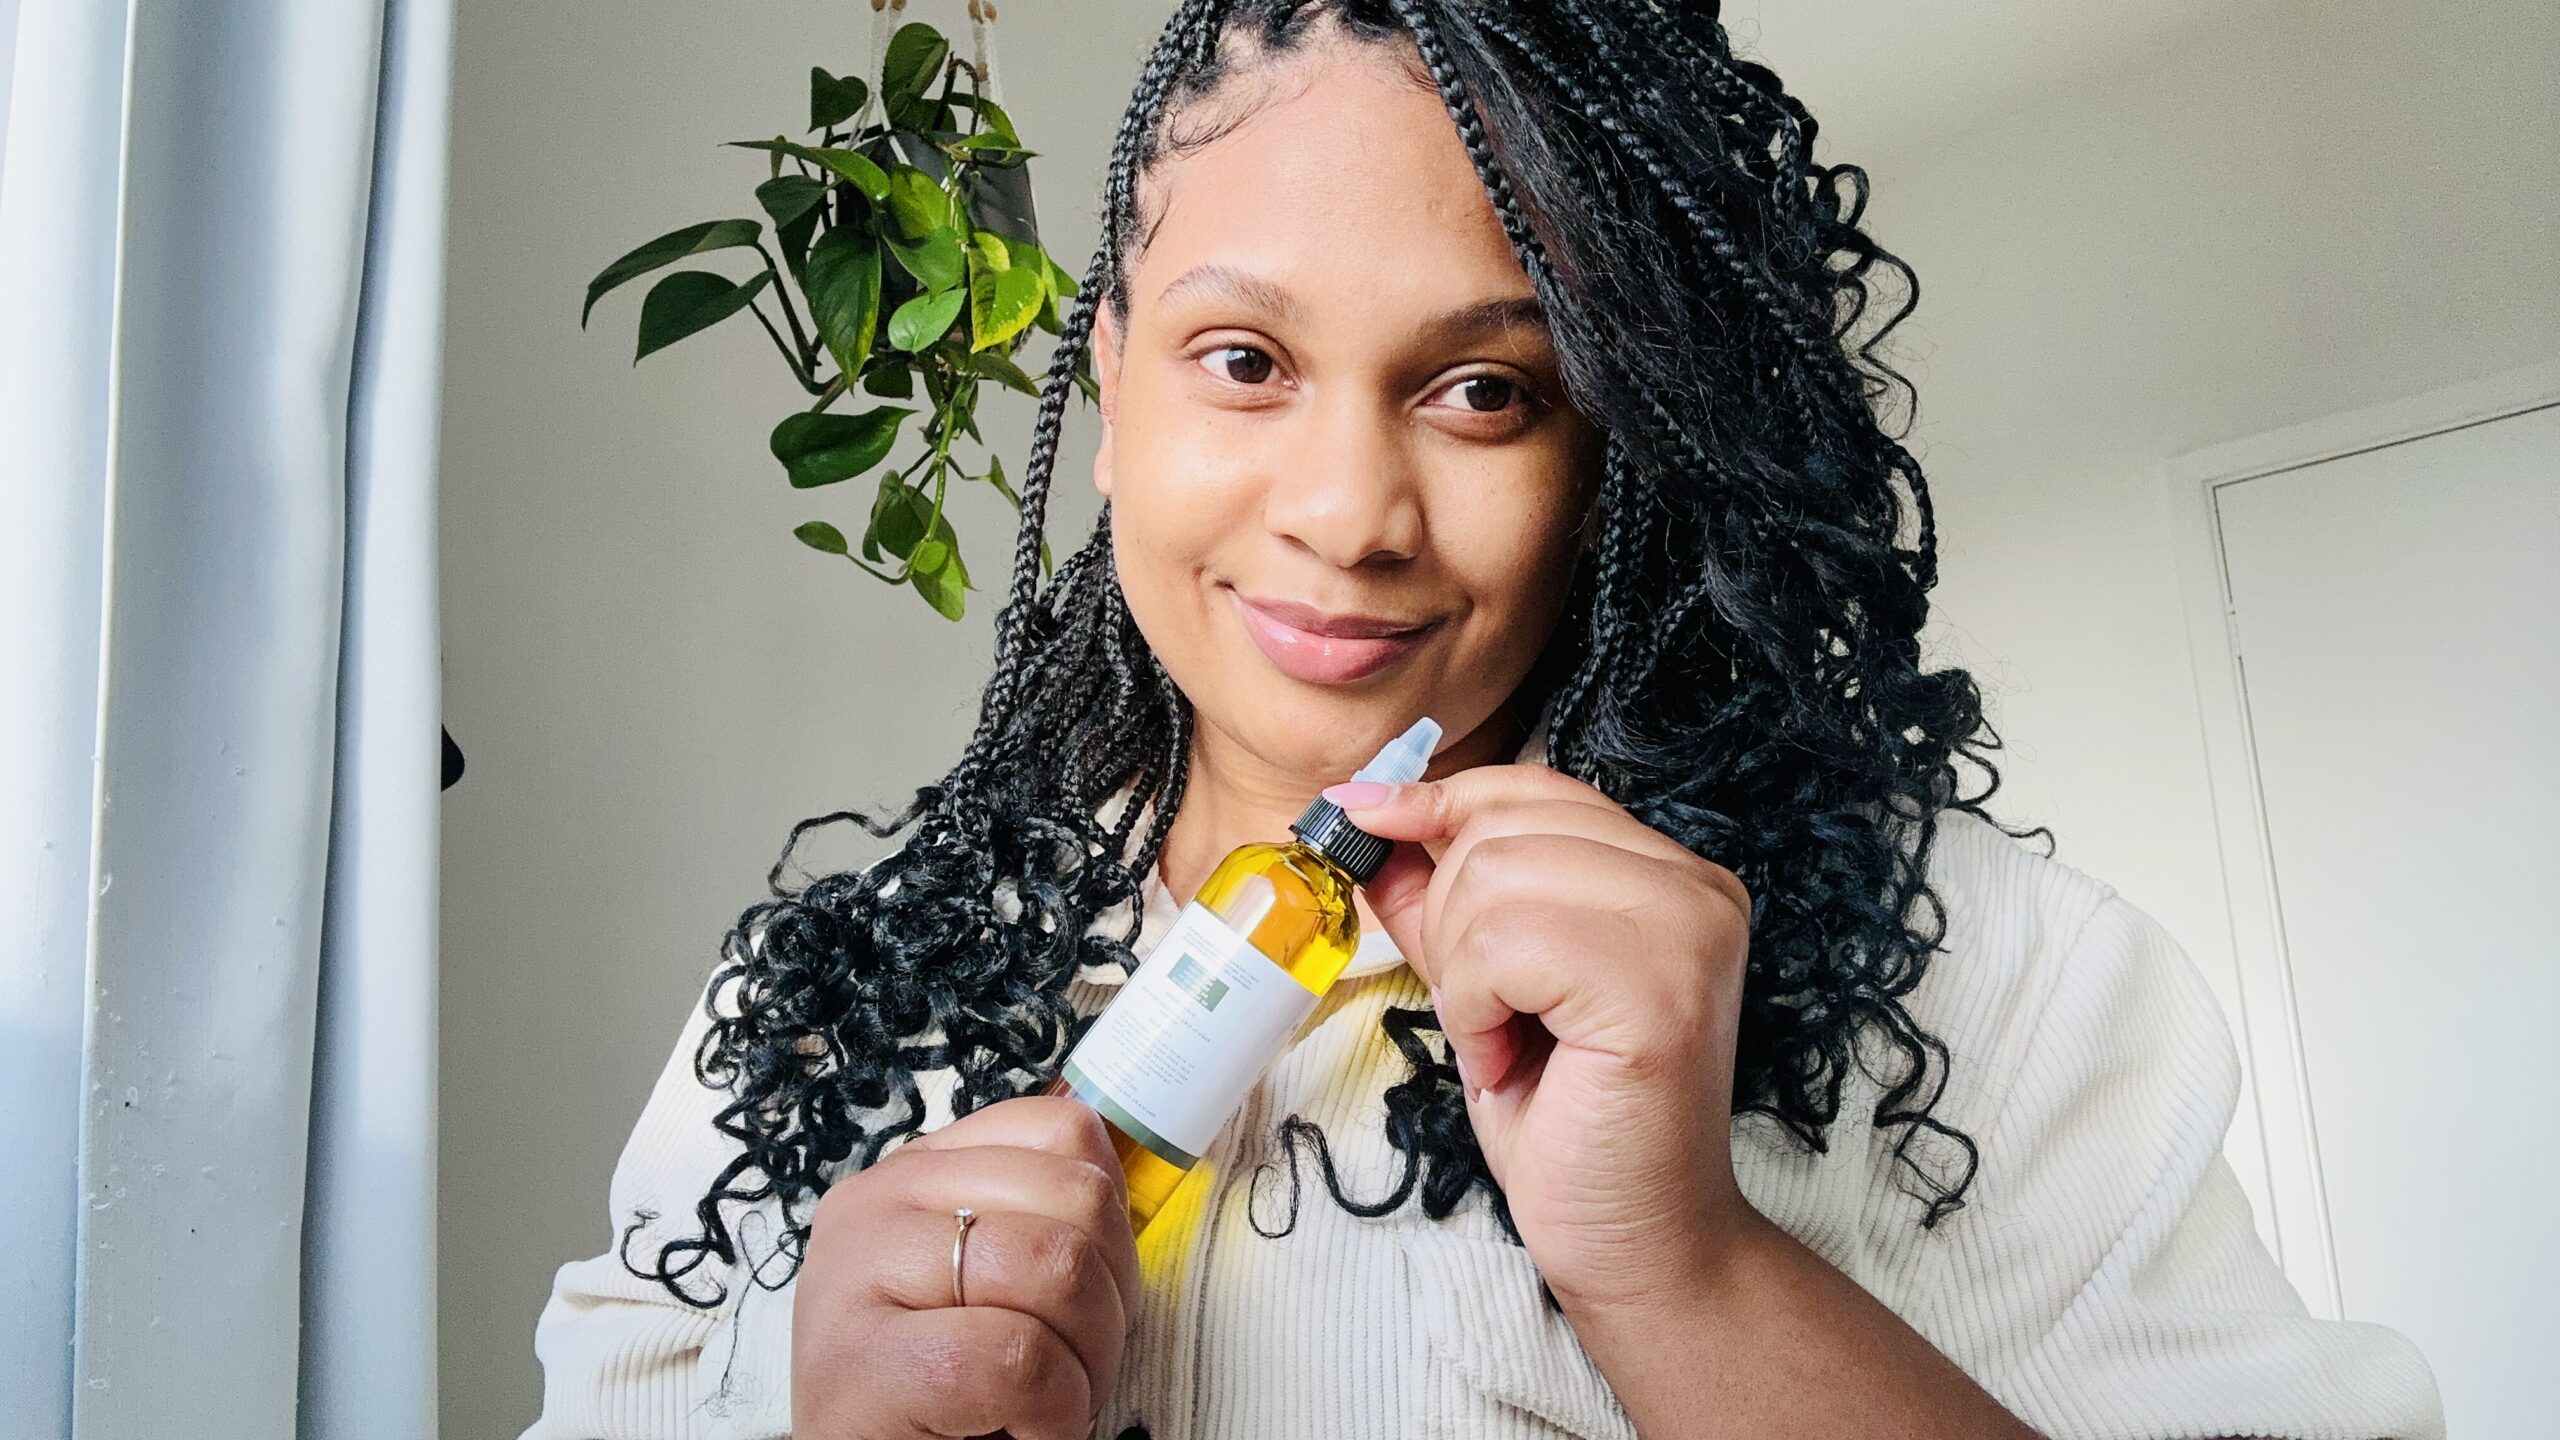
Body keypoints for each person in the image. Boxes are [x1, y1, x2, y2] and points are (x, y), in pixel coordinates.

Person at [519, 3, 2444, 1437]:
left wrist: (1683, 1275)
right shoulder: (817, 1007)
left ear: (1617, 446)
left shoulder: (1994, 992)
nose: (1348, 510)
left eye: (1487, 393)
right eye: (1244, 359)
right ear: (1110, 386)